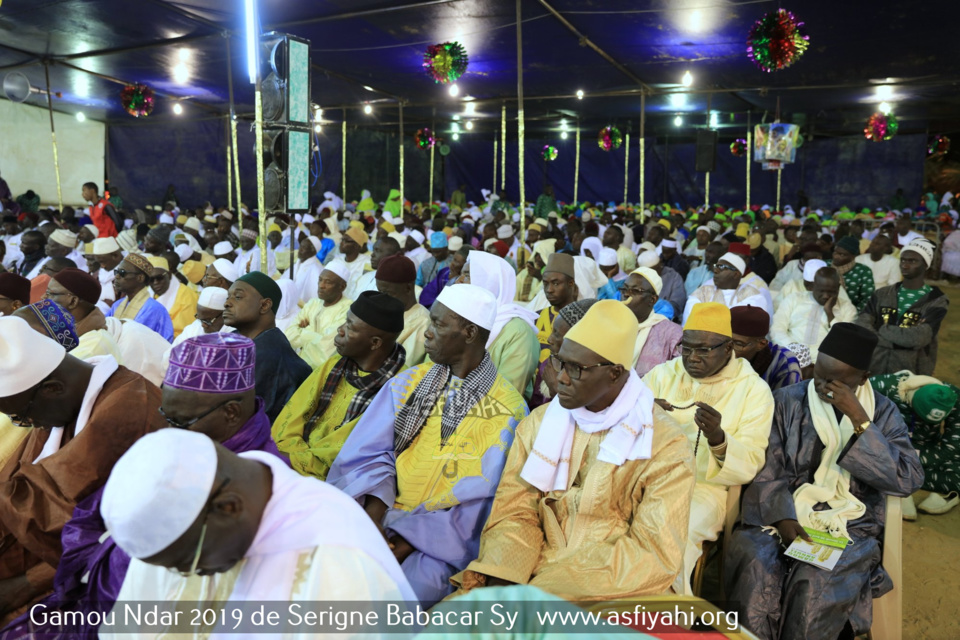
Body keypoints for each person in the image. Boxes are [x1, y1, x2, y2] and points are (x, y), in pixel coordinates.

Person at [451, 300, 695, 600]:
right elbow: (514, 511)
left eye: (576, 369)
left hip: (621, 589)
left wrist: (545, 591)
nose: (560, 377)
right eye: (559, 362)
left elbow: (653, 552)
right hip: (530, 569)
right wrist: (506, 579)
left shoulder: (664, 442)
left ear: (615, 374)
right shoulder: (540, 423)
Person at [101, 430, 416, 637]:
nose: (189, 575)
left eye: (191, 563)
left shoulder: (338, 564)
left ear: (228, 508)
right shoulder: (181, 525)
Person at [327, 284, 529, 607]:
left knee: (399, 601)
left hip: (440, 545)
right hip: (377, 513)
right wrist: (374, 523)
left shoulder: (510, 411)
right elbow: (369, 455)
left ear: (469, 332)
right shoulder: (408, 383)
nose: (426, 333)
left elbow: (484, 503)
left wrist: (407, 539)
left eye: (437, 324)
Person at [723, 323, 924, 640]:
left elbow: (907, 479)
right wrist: (784, 517)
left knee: (816, 580)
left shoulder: (883, 414)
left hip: (852, 524)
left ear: (862, 377)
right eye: (819, 375)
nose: (822, 386)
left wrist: (860, 420)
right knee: (757, 563)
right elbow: (768, 464)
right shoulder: (787, 401)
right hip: (781, 511)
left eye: (837, 381)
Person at [0, 316, 164, 617]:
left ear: (52, 388)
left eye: (22, 416)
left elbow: (94, 529)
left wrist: (23, 585)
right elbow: (17, 482)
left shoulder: (128, 411)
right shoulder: (59, 403)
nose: (28, 426)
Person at [643, 302, 774, 594]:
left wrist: (717, 437)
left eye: (704, 350)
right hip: (648, 479)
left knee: (672, 531)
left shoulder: (753, 390)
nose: (691, 358)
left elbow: (752, 460)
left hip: (705, 488)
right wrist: (644, 411)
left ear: (728, 348)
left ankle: (664, 618)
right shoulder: (663, 374)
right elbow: (623, 423)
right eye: (686, 348)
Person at [273, 292, 407, 480]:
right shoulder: (335, 364)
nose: (340, 330)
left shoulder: (400, 388)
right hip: (292, 460)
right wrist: (290, 455)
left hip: (335, 480)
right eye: (345, 322)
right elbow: (292, 416)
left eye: (350, 327)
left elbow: (349, 451)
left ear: (375, 343)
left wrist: (295, 460)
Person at [223, 271, 311, 423]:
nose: (227, 303)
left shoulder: (268, 353)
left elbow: (246, 418)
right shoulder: (233, 337)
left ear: (264, 305)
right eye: (228, 297)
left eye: (237, 297)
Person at [871, 370, 960, 517]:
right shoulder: (880, 387)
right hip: (887, 448)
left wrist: (912, 460)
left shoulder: (954, 398)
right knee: (860, 463)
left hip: (926, 451)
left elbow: (953, 446)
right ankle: (900, 482)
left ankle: (899, 479)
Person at [857, 238, 947, 376]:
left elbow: (919, 337)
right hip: (874, 367)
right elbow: (862, 325)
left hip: (913, 372)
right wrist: (903, 343)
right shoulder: (882, 294)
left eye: (912, 261)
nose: (905, 265)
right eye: (903, 260)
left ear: (925, 265)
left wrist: (881, 330)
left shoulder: (936, 300)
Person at [460, 252, 540, 397]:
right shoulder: (460, 320)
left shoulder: (519, 333)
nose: (458, 281)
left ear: (489, 283)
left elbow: (506, 396)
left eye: (467, 275)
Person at [771, 266, 856, 360]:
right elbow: (777, 330)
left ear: (838, 288)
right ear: (813, 286)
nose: (826, 296)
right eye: (821, 291)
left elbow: (844, 341)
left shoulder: (847, 308)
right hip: (789, 357)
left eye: (831, 292)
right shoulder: (794, 299)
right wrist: (795, 350)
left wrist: (830, 313)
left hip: (824, 362)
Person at [529, 299, 597, 409]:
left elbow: (582, 416)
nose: (549, 340)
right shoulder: (550, 363)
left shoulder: (589, 373)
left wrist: (555, 389)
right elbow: (535, 406)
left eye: (556, 334)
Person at [43, 269, 122, 361]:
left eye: (50, 293)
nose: (43, 297)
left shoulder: (92, 346)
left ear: (73, 301)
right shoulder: (64, 328)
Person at [285, 260, 353, 368]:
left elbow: (326, 350)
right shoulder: (313, 303)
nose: (321, 285)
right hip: (299, 365)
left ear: (342, 287)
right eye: (320, 280)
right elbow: (289, 336)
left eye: (328, 282)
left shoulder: (347, 310)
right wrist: (316, 337)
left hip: (324, 371)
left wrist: (305, 330)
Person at [621, 267, 682, 377]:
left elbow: (677, 376)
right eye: (625, 289)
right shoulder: (611, 324)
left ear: (652, 299)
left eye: (635, 291)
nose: (626, 294)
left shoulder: (672, 333)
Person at [375, 254, 431, 367]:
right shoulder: (378, 312)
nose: (381, 298)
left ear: (409, 288)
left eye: (386, 293)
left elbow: (405, 367)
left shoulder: (425, 322)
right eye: (379, 292)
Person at [683, 251, 768, 324]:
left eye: (722, 267)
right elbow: (690, 319)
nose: (715, 270)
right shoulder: (703, 291)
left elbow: (738, 325)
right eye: (716, 266)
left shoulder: (752, 295)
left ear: (736, 274)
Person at [105, 253, 174, 342]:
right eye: (117, 272)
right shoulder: (117, 305)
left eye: (122, 273)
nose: (117, 276)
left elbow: (166, 344)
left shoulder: (156, 309)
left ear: (140, 278)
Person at [731, 305, 802, 391]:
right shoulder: (716, 349)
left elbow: (786, 402)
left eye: (738, 344)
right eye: (725, 340)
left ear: (761, 344)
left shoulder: (784, 362)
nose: (728, 348)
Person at [535, 253, 579, 364]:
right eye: (545, 284)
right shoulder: (536, 317)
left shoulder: (582, 319)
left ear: (571, 283)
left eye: (555, 283)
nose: (549, 289)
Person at [146, 255, 198, 339]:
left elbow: (187, 335)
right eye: (150, 279)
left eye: (159, 278)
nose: (155, 283)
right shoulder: (148, 294)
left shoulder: (187, 297)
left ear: (169, 275)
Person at [637, 250, 687, 320]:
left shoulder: (673, 277)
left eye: (653, 270)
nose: (650, 274)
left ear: (660, 263)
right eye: (646, 272)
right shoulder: (637, 278)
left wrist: (659, 309)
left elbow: (677, 306)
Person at [831, 235, 875, 311]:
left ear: (853, 256)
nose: (836, 257)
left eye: (842, 255)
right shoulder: (825, 266)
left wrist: (851, 314)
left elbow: (868, 299)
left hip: (852, 312)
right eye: (835, 252)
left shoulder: (863, 271)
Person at [289, 235, 326, 306]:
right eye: (300, 246)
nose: (300, 250)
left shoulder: (316, 270)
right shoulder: (297, 263)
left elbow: (316, 298)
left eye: (304, 247)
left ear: (313, 251)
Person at [340, 227, 372, 300]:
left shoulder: (367, 263)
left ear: (357, 245)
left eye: (346, 241)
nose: (341, 243)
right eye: (342, 240)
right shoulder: (337, 260)